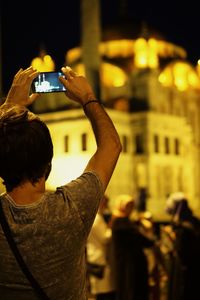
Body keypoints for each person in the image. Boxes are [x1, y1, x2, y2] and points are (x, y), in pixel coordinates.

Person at [0, 66, 122, 300]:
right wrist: (88, 98)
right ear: (49, 163)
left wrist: (9, 107)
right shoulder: (73, 208)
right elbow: (111, 147)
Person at [110, 194, 155, 300]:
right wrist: (151, 241)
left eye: (132, 206)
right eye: (129, 206)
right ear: (122, 206)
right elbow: (139, 238)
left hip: (131, 262)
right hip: (128, 263)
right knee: (131, 290)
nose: (131, 209)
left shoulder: (123, 220)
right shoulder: (120, 222)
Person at [163, 192, 200, 300]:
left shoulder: (183, 227)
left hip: (184, 267)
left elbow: (181, 249)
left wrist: (171, 236)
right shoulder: (193, 221)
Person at [87, 195, 116, 300]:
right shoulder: (97, 219)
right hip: (99, 259)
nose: (106, 205)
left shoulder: (94, 216)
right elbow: (105, 238)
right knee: (104, 293)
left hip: (95, 256)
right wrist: (112, 225)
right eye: (105, 202)